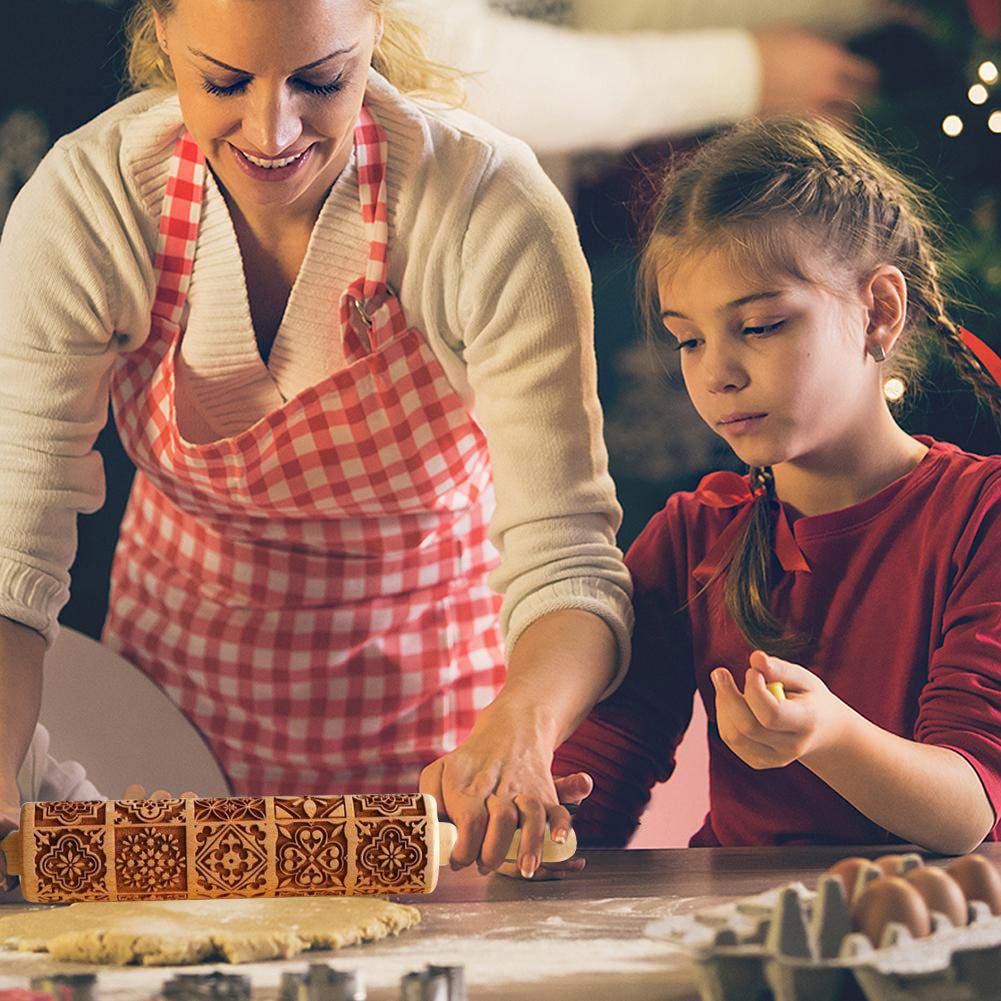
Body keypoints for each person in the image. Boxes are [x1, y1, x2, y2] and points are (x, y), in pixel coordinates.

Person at [0, 0, 633, 884]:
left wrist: (518, 728)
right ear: (160, 31)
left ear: (376, 27)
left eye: (320, 80)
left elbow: (567, 560)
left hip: (438, 735)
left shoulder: (482, 203)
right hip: (172, 717)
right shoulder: (91, 203)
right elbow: (12, 563)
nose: (273, 128)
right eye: (223, 82)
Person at [551, 116, 1001, 853]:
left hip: (939, 935)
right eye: (687, 339)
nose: (716, 372)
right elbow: (604, 768)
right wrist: (540, 822)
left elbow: (966, 811)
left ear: (878, 311)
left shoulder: (979, 517)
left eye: (759, 326)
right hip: (733, 935)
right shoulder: (690, 533)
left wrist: (825, 735)